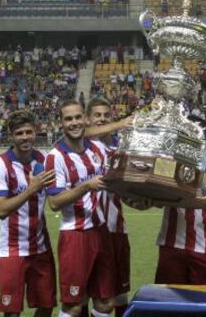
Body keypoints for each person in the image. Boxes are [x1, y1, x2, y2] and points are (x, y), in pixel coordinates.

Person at [44, 100, 115, 317]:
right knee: (73, 306)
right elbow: (54, 202)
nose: (74, 123)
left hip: (101, 231)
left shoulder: (99, 149)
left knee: (105, 302)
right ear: (61, 123)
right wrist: (86, 185)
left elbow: (118, 176)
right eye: (68, 119)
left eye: (77, 117)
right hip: (75, 235)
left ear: (85, 119)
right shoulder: (55, 157)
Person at [0, 109, 57, 317]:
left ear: (36, 132)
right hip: (12, 248)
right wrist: (31, 189)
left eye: (29, 131)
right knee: (12, 311)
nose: (25, 137)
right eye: (19, 133)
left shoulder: (43, 160)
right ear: (11, 136)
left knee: (47, 305)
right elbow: (1, 210)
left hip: (41, 246)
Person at [154, 117, 206, 285]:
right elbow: (156, 202)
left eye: (197, 134)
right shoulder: (167, 162)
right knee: (169, 304)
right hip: (171, 243)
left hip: (205, 244)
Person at [84, 97, 132, 317]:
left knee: (120, 294)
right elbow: (81, 133)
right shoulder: (81, 146)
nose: (102, 119)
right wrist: (121, 123)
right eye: (97, 115)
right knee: (85, 295)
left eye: (106, 115)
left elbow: (128, 188)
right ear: (87, 119)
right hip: (89, 230)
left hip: (117, 229)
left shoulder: (120, 149)